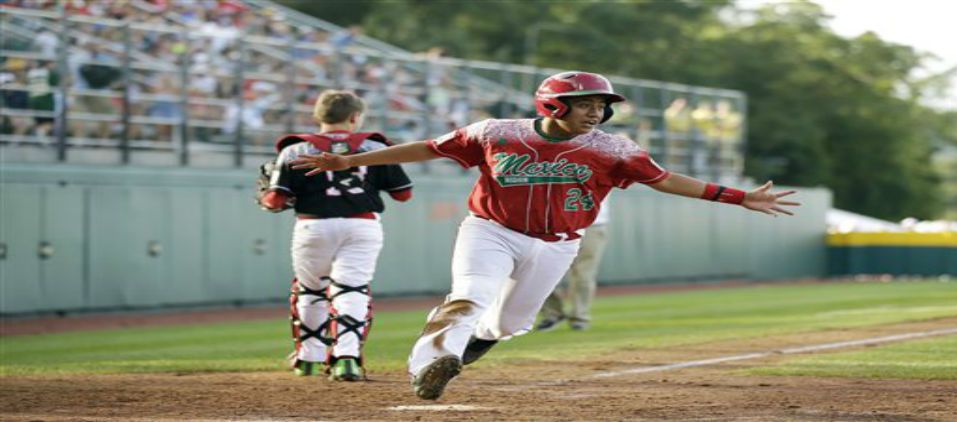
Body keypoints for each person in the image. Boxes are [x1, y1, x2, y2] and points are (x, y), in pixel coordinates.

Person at [291, 71, 799, 399]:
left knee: (509, 323)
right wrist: (350, 159)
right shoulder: (495, 133)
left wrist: (738, 196)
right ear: (554, 106)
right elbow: (428, 148)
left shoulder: (612, 148)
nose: (597, 113)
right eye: (586, 105)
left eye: (602, 106)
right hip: (490, 230)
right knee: (469, 297)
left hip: (558, 243)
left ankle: (463, 351)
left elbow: (664, 180)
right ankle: (432, 362)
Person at [259, 90, 414, 382]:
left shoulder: (294, 150)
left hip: (314, 224)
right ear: (354, 117)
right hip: (362, 225)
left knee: (311, 290)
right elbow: (403, 195)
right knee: (352, 289)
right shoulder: (375, 147)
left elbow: (274, 202)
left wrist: (273, 195)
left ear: (318, 116)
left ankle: (308, 358)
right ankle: (347, 359)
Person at [535, 196, 612, 332]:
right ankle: (553, 314)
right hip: (553, 224)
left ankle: (580, 317)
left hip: (593, 225)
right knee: (542, 272)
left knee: (583, 275)